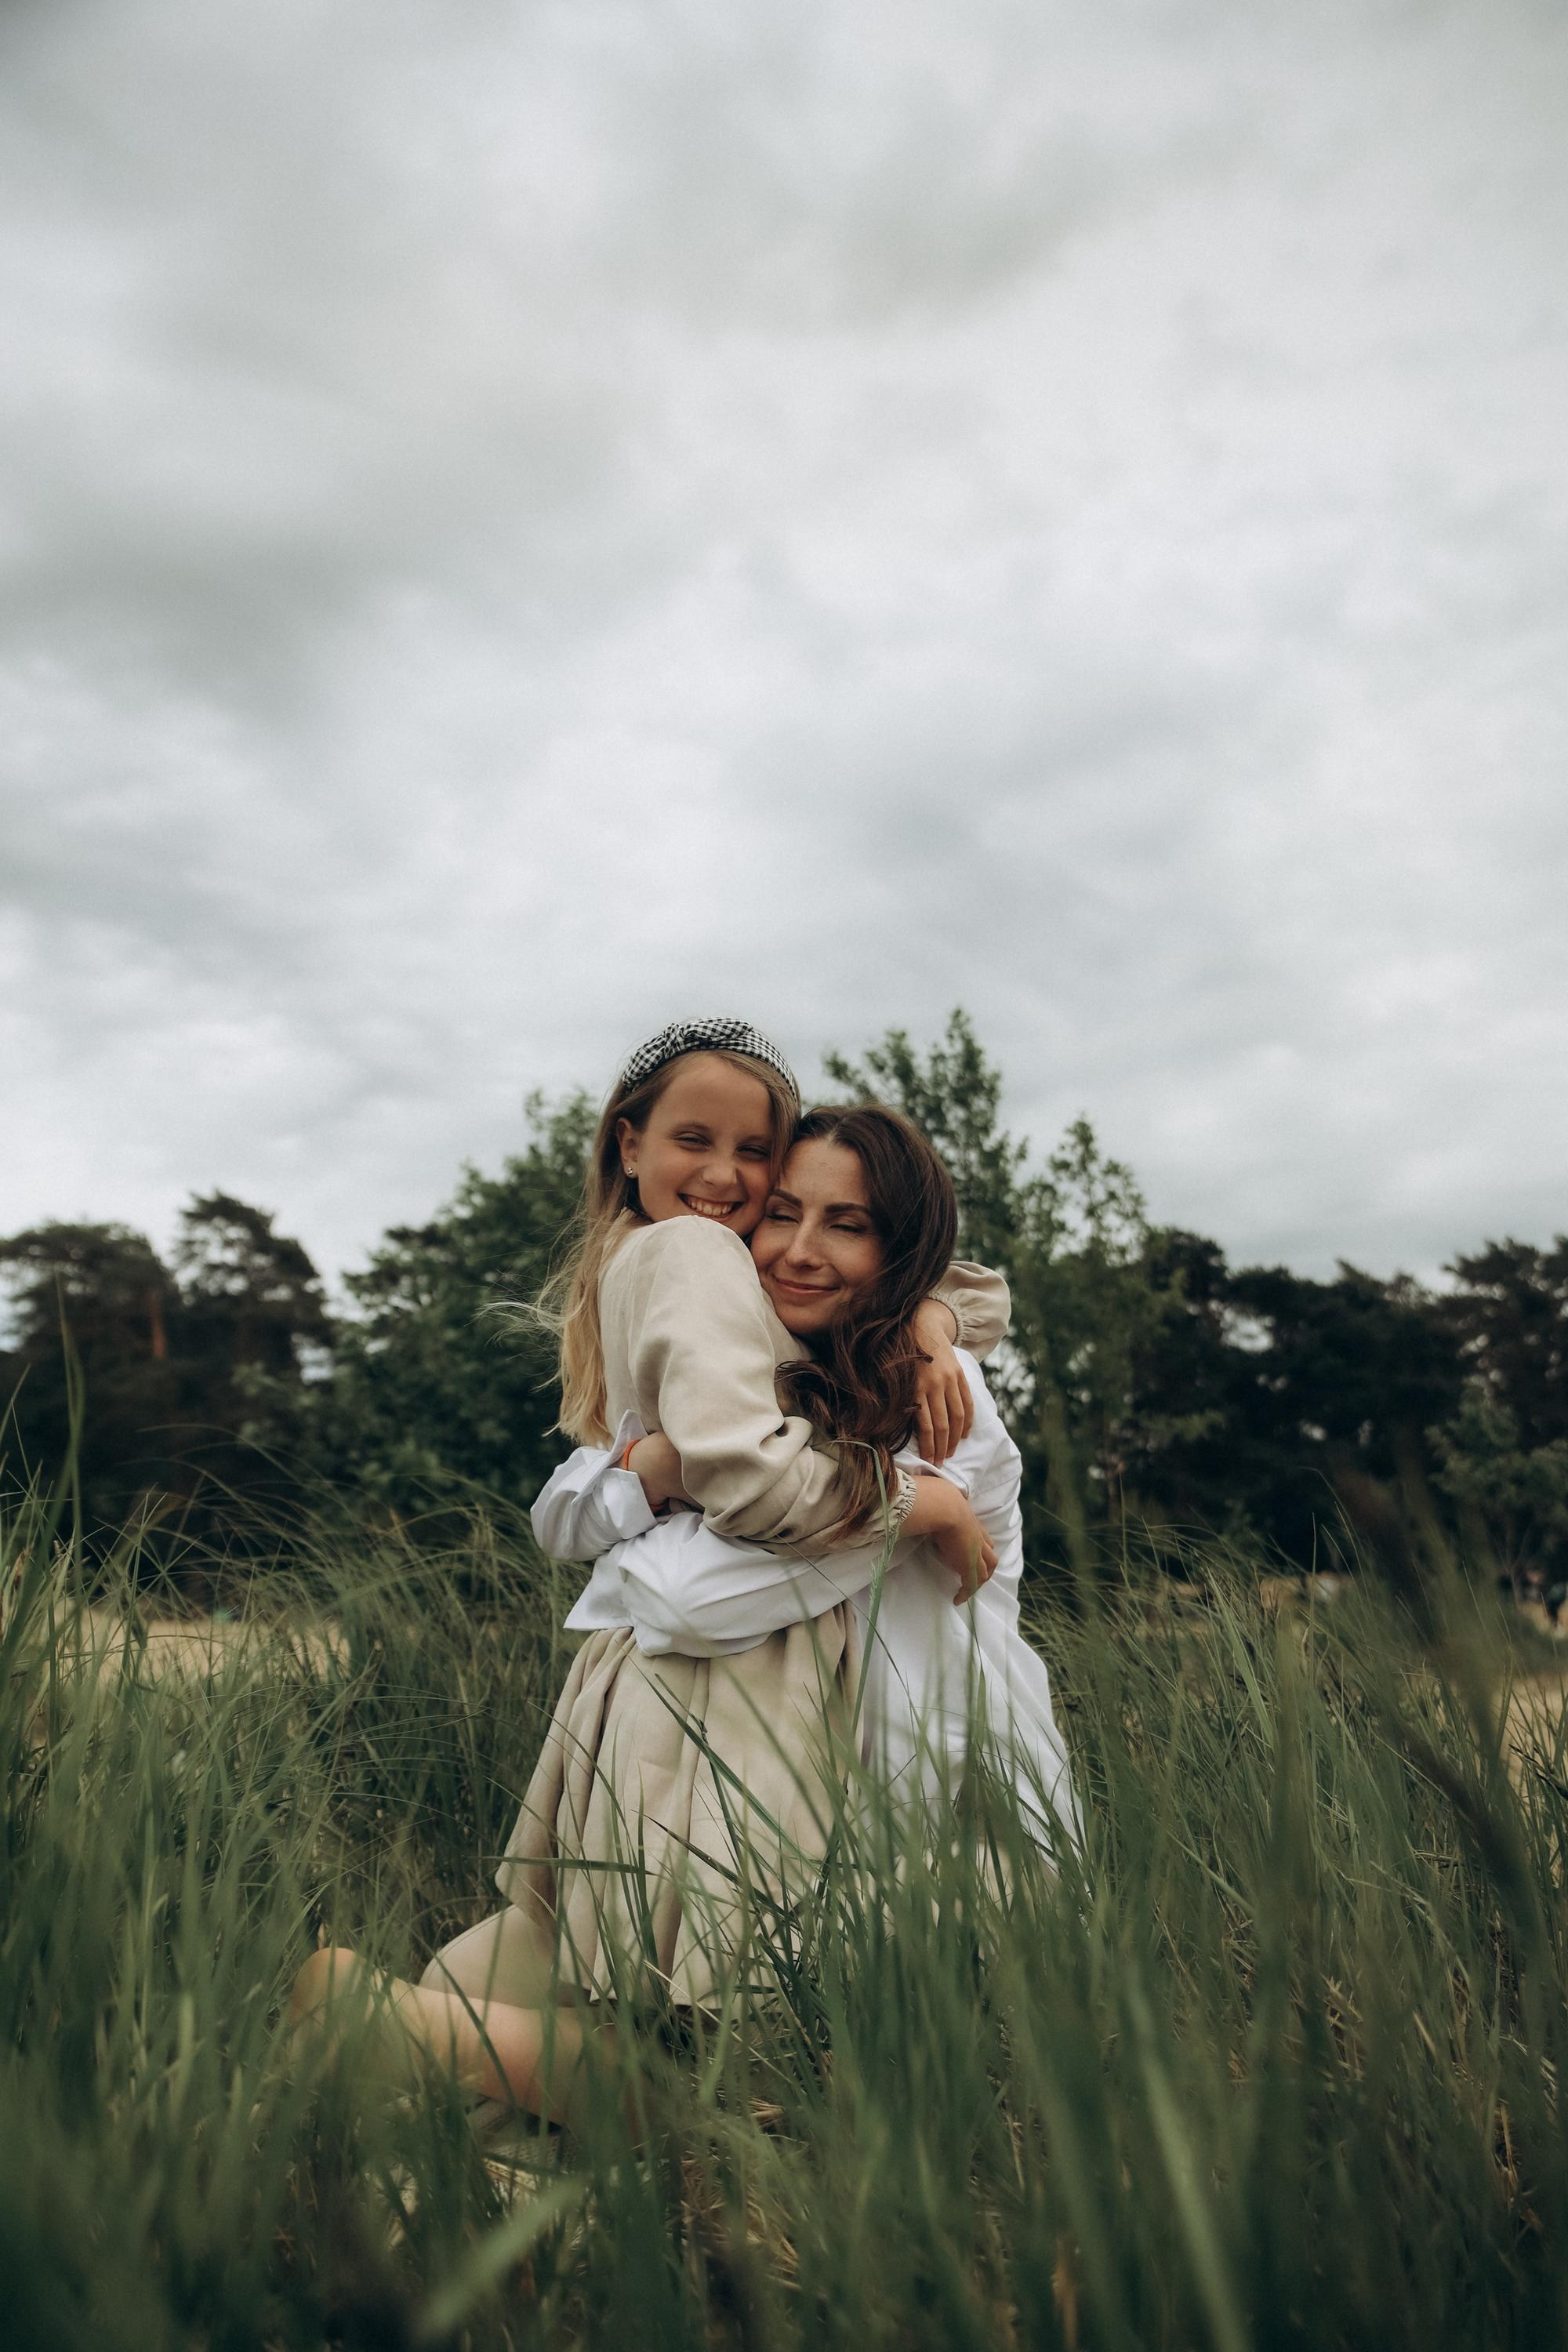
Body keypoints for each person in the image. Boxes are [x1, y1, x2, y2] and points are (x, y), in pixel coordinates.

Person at [291, 1018, 1007, 2115]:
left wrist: (930, 1311)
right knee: (740, 2068)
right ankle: (398, 2026)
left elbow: (973, 1282)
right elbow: (753, 1492)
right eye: (693, 1139)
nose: (728, 1179)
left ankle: (444, 2026)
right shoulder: (693, 1253)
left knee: (624, 1969)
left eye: (754, 1156)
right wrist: (924, 1501)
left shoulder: (682, 1263)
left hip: (661, 1676)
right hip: (735, 1683)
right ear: (628, 1141)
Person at [535, 1103, 1080, 1855]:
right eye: (783, 1214)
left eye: (847, 1226)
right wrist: (656, 1466)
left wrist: (676, 1498)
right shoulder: (770, 1378)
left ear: (902, 1250)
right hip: (817, 1785)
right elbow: (561, 1511)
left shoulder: (939, 1401)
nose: (798, 1251)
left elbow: (690, 1599)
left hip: (947, 1800)